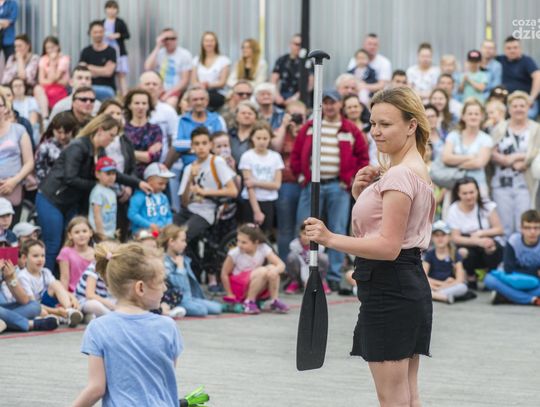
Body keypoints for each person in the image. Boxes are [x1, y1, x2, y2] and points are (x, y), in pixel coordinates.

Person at [304, 86, 434, 406]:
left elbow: (388, 247)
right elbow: (383, 233)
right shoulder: (411, 171)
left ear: (411, 125)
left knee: (393, 400)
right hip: (403, 284)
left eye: (385, 124)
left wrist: (329, 238)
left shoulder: (399, 176)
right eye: (373, 123)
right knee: (407, 397)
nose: (376, 131)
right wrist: (362, 195)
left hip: (390, 287)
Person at [72, 242, 183, 407]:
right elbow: (165, 380)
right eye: (161, 282)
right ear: (140, 288)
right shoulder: (168, 327)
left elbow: (96, 389)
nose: (165, 288)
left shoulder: (98, 328)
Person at [37, 114, 151, 272]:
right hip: (52, 199)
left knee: (70, 245)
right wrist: (97, 185)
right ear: (100, 130)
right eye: (111, 135)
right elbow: (70, 178)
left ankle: (67, 280)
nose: (112, 140)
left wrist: (138, 183)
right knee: (53, 244)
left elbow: (111, 174)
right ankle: (46, 281)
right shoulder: (78, 147)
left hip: (70, 202)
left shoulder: (100, 151)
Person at [291, 89, 369, 291]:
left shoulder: (350, 129)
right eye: (325, 102)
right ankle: (300, 275)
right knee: (304, 226)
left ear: (340, 104)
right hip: (311, 184)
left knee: (337, 229)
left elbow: (363, 157)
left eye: (332, 102)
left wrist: (351, 180)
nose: (329, 106)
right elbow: (296, 153)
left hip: (338, 185)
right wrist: (301, 176)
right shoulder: (310, 127)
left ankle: (333, 275)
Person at [176, 126, 237, 277]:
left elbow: (233, 191)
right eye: (197, 144)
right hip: (189, 209)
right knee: (170, 232)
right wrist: (190, 179)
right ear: (192, 147)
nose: (201, 147)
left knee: (182, 236)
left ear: (210, 144)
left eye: (204, 143)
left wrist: (206, 192)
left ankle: (187, 271)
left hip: (207, 210)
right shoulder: (189, 168)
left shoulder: (216, 162)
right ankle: (190, 268)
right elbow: (184, 202)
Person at [490, 90, 540, 239]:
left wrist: (518, 158)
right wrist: (506, 160)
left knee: (522, 223)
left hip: (525, 183)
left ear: (528, 108)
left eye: (522, 106)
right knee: (504, 226)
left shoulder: (536, 128)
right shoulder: (500, 127)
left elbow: (537, 151)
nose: (518, 109)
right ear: (509, 109)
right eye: (515, 106)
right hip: (502, 183)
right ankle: (506, 253)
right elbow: (490, 151)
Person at [446, 177, 504, 288]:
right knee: (462, 252)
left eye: (471, 192)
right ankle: (470, 275)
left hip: (486, 241)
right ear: (458, 194)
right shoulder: (454, 209)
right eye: (465, 193)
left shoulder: (487, 205)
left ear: (477, 191)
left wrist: (481, 234)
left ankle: (490, 275)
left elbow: (499, 229)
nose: (469, 196)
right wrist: (477, 241)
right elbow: (455, 237)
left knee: (491, 247)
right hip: (467, 244)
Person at [221, 224, 289, 314]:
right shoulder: (235, 253)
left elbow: (281, 264)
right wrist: (229, 293)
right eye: (238, 241)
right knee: (263, 271)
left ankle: (274, 300)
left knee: (272, 268)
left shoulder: (263, 247)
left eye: (244, 242)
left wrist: (274, 271)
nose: (239, 245)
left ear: (256, 242)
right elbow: (224, 273)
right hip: (239, 286)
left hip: (254, 282)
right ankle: (249, 302)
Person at [17, 239, 84, 326]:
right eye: (35, 256)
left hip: (46, 304)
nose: (40, 259)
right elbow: (33, 304)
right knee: (43, 313)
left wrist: (73, 298)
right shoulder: (23, 276)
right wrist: (56, 311)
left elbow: (59, 288)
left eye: (43, 256)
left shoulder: (45, 272)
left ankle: (69, 311)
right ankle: (62, 317)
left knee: (56, 283)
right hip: (35, 307)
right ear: (24, 258)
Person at [160, 224, 222, 317]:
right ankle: (170, 308)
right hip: (177, 300)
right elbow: (180, 285)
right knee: (201, 310)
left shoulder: (183, 258)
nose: (185, 244)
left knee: (217, 308)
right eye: (182, 241)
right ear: (171, 242)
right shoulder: (165, 262)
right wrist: (180, 267)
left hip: (190, 298)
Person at [272, 100, 306, 261]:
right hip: (286, 183)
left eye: (300, 115)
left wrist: (302, 129)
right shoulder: (280, 131)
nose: (296, 118)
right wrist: (284, 125)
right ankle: (285, 265)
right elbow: (275, 147)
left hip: (305, 184)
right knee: (285, 227)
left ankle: (302, 265)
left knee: (303, 227)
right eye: (293, 115)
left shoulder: (309, 131)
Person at [484, 210, 540, 306]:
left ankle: (507, 296)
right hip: (513, 279)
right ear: (521, 228)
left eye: (536, 228)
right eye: (527, 228)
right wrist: (535, 272)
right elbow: (508, 269)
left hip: (534, 282)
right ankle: (531, 299)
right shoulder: (513, 240)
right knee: (489, 279)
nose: (532, 232)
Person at [441, 98, 493, 196]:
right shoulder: (453, 135)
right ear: (463, 116)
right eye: (470, 114)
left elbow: (479, 163)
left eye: (476, 114)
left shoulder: (486, 139)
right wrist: (470, 157)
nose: (473, 117)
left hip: (478, 187)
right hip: (454, 185)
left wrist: (455, 164)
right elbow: (446, 158)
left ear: (482, 117)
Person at [172, 86, 226, 167]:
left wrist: (191, 148)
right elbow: (176, 144)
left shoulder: (217, 119)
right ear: (189, 102)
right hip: (188, 165)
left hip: (213, 165)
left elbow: (222, 143)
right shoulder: (181, 120)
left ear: (207, 101)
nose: (199, 102)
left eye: (202, 99)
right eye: (195, 100)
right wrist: (204, 145)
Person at [0, 257, 59, 332]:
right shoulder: (23, 274)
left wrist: (11, 277)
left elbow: (24, 300)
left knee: (35, 306)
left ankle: (6, 321)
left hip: (5, 309)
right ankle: (30, 324)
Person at [0, 91, 34, 220]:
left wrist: (14, 181)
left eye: (0, 105)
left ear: (5, 108)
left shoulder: (19, 130)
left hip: (14, 189)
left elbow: (29, 162)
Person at [144, 27, 192, 107]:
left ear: (176, 39)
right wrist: (157, 46)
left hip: (175, 90)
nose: (170, 41)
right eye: (166, 39)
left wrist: (168, 94)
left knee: (170, 103)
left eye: (173, 38)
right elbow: (147, 67)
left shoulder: (184, 54)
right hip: (159, 89)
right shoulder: (160, 53)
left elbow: (184, 80)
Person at [138, 71, 179, 165]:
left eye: (155, 84)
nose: (151, 87)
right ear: (139, 87)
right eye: (147, 84)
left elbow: (175, 141)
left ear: (161, 88)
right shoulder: (129, 110)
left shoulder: (168, 111)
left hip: (161, 164)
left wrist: (166, 166)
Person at [422, 220, 468, 304]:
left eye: (443, 235)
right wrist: (440, 284)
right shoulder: (429, 254)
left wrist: (443, 286)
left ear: (449, 237)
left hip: (449, 286)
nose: (440, 238)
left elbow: (460, 279)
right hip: (433, 286)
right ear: (432, 237)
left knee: (462, 287)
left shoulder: (455, 254)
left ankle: (435, 295)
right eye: (436, 235)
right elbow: (423, 276)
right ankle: (444, 297)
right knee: (421, 285)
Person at [496, 36, 540, 119]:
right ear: (504, 50)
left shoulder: (527, 61)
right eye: (509, 48)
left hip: (525, 100)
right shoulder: (500, 60)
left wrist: (532, 98)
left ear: (520, 49)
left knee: (527, 116)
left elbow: (537, 76)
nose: (512, 50)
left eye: (515, 47)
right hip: (506, 100)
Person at [123, 88, 163, 178]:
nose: (140, 107)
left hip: (151, 176)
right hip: (127, 175)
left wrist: (129, 153)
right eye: (137, 103)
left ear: (148, 106)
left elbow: (152, 157)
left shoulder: (155, 129)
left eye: (144, 103)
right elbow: (122, 156)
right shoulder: (123, 129)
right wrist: (143, 154)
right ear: (129, 105)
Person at [128, 162, 174, 234]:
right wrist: (149, 225)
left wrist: (167, 226)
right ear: (149, 180)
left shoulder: (163, 197)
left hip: (161, 232)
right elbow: (132, 214)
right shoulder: (140, 195)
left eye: (166, 184)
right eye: (160, 183)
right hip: (144, 232)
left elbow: (169, 215)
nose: (163, 187)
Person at [284, 223, 330, 294]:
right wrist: (305, 280)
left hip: (314, 273)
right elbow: (303, 263)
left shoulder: (319, 246)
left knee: (324, 257)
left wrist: (310, 280)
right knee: (291, 257)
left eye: (310, 235)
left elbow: (313, 262)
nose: (306, 237)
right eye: (304, 233)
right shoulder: (294, 245)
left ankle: (321, 281)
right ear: (300, 233)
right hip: (300, 273)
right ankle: (295, 282)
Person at [34, 111, 78, 185]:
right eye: (59, 132)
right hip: (50, 186)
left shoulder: (77, 145)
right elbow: (38, 168)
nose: (63, 136)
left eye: (67, 133)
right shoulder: (45, 147)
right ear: (53, 130)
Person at [191, 31, 230, 111]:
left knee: (203, 99)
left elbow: (222, 82)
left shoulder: (223, 60)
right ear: (202, 43)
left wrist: (207, 85)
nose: (209, 43)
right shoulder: (196, 60)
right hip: (199, 91)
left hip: (217, 93)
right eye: (206, 41)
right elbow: (193, 81)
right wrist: (200, 87)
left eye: (212, 41)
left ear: (216, 43)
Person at [79, 21, 117, 102]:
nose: (98, 35)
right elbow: (81, 71)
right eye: (95, 32)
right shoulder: (86, 51)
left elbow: (108, 72)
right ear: (90, 33)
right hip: (88, 87)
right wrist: (102, 70)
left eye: (100, 32)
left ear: (104, 33)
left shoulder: (111, 51)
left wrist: (89, 67)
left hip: (107, 88)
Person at [271, 33, 313, 106]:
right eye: (296, 44)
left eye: (301, 45)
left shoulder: (308, 62)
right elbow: (273, 81)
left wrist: (295, 98)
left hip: (300, 99)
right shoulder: (282, 60)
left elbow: (310, 84)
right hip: (282, 98)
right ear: (290, 44)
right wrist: (277, 96)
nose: (299, 47)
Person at [57, 216, 95, 292]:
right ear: (70, 235)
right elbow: (64, 278)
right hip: (72, 293)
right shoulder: (65, 252)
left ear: (90, 233)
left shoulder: (96, 252)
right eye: (77, 232)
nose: (81, 235)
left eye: (84, 231)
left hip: (92, 293)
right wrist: (65, 296)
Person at [35, 36, 70, 117]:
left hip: (61, 89)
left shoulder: (64, 59)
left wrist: (52, 62)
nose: (50, 50)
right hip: (47, 89)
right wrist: (53, 81)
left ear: (58, 47)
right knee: (37, 89)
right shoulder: (43, 59)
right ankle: (45, 117)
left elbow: (55, 78)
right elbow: (41, 81)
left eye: (52, 47)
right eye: (48, 48)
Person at [102, 1, 130, 96]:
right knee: (108, 73)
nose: (111, 10)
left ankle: (124, 95)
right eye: (109, 8)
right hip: (106, 51)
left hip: (119, 51)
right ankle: (112, 94)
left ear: (117, 10)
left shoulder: (120, 22)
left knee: (121, 74)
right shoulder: (102, 22)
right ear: (106, 9)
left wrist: (118, 35)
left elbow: (127, 35)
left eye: (114, 8)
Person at [89, 156, 118, 239]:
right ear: (97, 174)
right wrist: (101, 235)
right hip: (100, 235)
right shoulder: (98, 192)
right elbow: (97, 215)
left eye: (113, 173)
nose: (111, 177)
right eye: (108, 174)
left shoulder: (112, 192)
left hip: (110, 234)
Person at [229, 100, 259, 164]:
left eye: (250, 113)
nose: (246, 116)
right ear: (236, 116)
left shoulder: (259, 135)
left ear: (256, 118)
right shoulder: (229, 134)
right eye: (243, 113)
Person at [0, 0, 18, 65]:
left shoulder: (12, 3)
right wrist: (3, 21)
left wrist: (5, 22)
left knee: (10, 61)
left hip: (8, 38)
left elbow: (11, 20)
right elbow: (6, 22)